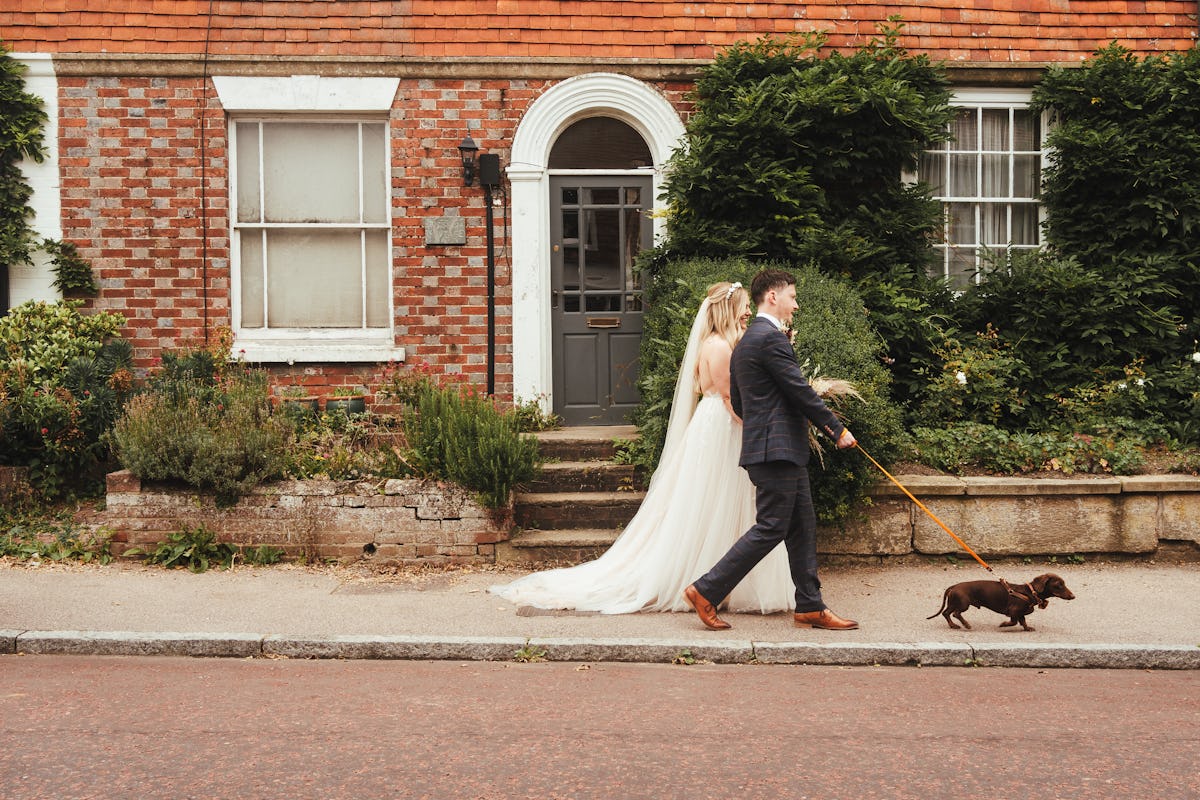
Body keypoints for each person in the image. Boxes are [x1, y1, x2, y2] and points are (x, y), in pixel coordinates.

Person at [489, 281, 795, 614]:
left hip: (716, 426)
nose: (748, 311)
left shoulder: (721, 343)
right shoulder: (720, 347)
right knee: (717, 501)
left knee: (720, 503)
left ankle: (723, 583)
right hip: (721, 428)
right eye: (743, 306)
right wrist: (760, 427)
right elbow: (730, 400)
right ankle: (708, 582)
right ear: (728, 308)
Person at [683, 268, 860, 631]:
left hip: (776, 449)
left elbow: (745, 404)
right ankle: (705, 590)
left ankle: (810, 605)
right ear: (773, 297)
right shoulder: (767, 338)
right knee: (771, 528)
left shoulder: (750, 340)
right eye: (792, 297)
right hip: (775, 452)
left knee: (801, 527)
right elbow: (799, 389)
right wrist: (836, 429)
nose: (796, 304)